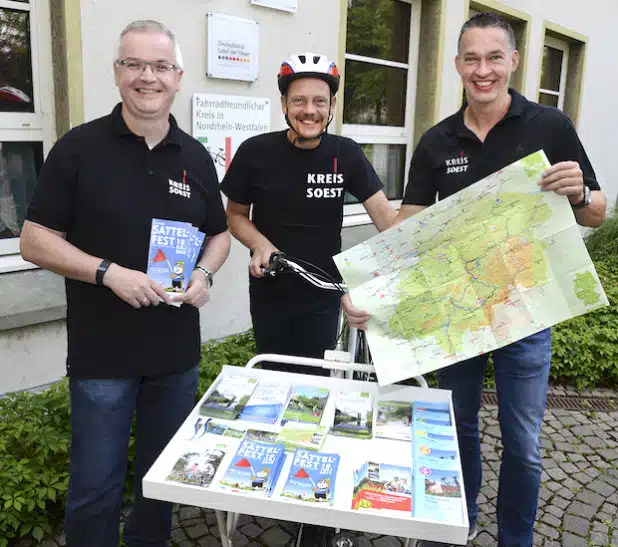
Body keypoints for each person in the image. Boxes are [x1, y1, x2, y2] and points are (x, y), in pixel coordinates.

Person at [347, 13, 606, 547]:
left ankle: (516, 539)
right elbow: (407, 228)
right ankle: (459, 524)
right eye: (471, 59)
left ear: (513, 61)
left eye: (494, 57)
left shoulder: (549, 126)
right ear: (458, 65)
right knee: (456, 427)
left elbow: (596, 213)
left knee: (524, 444)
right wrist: (366, 289)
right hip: (457, 313)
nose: (482, 70)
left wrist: (579, 193)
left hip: (528, 314)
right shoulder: (437, 141)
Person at [20, 20, 231, 547]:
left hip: (174, 354)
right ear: (117, 74)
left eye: (160, 66)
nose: (147, 77)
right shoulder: (78, 149)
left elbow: (221, 236)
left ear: (178, 77)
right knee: (95, 488)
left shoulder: (196, 157)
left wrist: (205, 273)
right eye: (134, 64)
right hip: (103, 356)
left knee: (160, 485)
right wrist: (107, 272)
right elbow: (33, 239)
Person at [221, 52, 397, 375]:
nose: (310, 111)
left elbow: (388, 223)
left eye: (320, 101)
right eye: (299, 100)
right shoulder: (255, 152)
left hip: (323, 295)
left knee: (315, 383)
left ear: (331, 106)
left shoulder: (347, 154)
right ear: (284, 104)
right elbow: (234, 215)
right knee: (272, 377)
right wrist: (259, 243)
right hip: (269, 291)